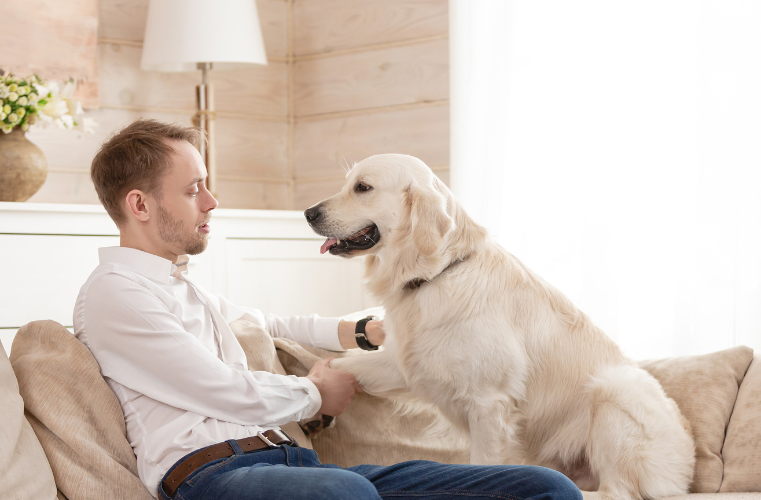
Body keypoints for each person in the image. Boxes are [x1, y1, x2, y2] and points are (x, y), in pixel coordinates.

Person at [74, 119, 582, 500]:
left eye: (206, 184)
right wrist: (315, 394)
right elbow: (219, 389)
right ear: (139, 205)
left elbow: (263, 322)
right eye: (193, 189)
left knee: (545, 487)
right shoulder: (117, 294)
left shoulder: (179, 286)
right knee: (348, 496)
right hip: (213, 476)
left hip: (293, 463)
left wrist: (356, 331)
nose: (211, 201)